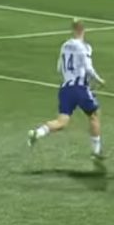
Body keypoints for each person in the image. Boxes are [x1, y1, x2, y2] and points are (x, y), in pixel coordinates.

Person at [27, 19, 105, 161]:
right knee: (94, 115)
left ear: (73, 30)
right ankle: (96, 152)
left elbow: (59, 68)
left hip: (65, 89)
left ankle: (37, 132)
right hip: (80, 88)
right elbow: (88, 68)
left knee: (61, 121)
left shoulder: (65, 45)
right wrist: (99, 80)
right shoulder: (85, 47)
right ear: (83, 30)